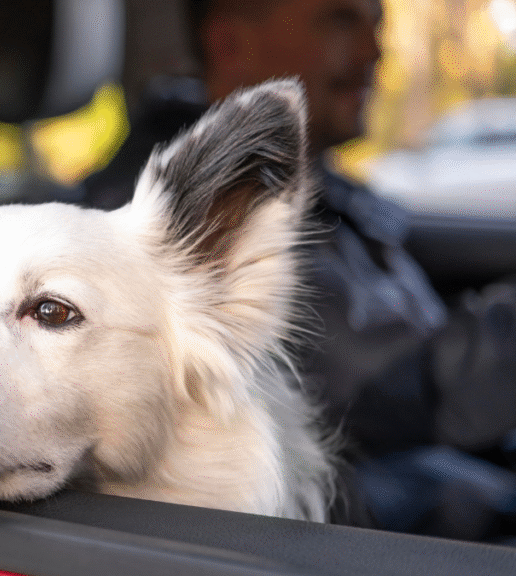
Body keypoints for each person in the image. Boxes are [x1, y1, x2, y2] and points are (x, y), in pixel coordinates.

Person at [84, 0, 516, 537]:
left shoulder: (316, 187)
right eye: (341, 21)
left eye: (376, 27)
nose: (375, 51)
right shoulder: (171, 231)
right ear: (230, 46)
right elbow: (399, 393)